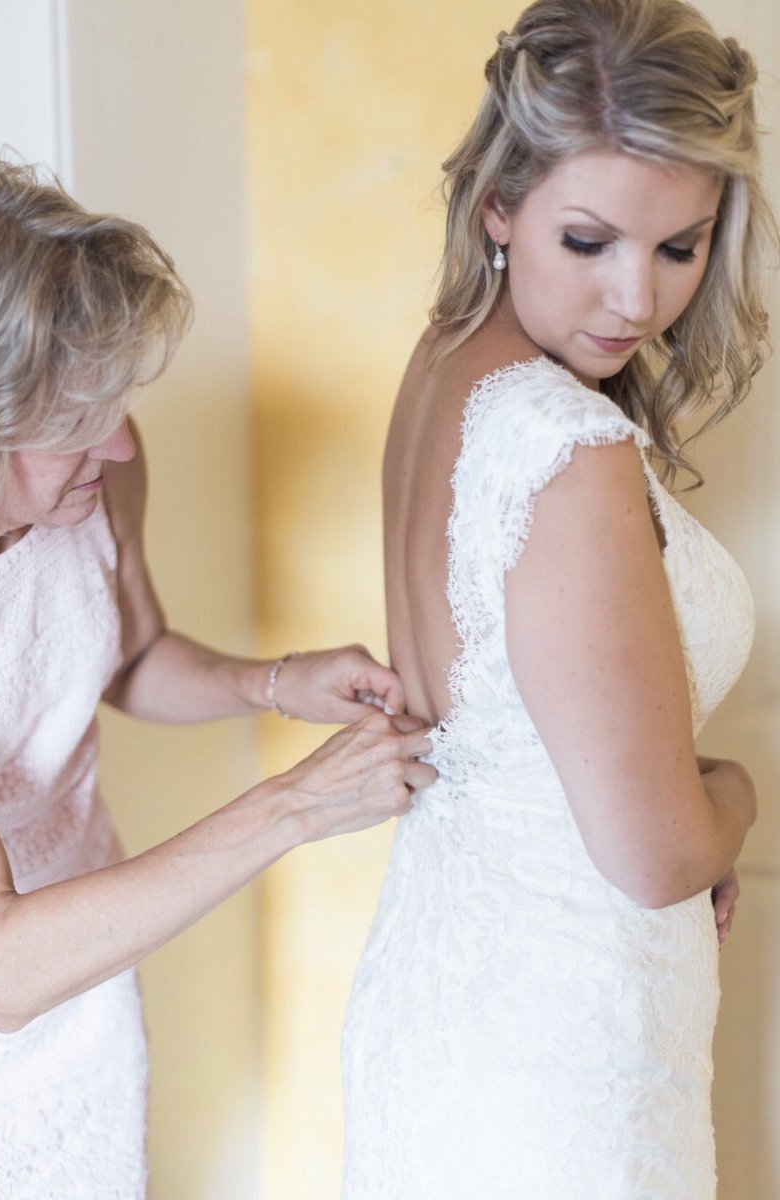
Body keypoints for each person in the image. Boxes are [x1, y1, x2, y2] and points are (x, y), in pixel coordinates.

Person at [341, 1, 777, 1195]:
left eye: (680, 246)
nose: (635, 299)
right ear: (500, 205)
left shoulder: (445, 365)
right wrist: (728, 793)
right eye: (589, 242)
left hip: (452, 1013)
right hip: (564, 1060)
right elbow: (655, 852)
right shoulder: (564, 443)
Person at [0, 157, 436, 1199]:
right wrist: (298, 805)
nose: (125, 437)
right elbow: (2, 972)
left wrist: (277, 683)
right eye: (80, 412)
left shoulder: (96, 490)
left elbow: (126, 655)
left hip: (85, 980)